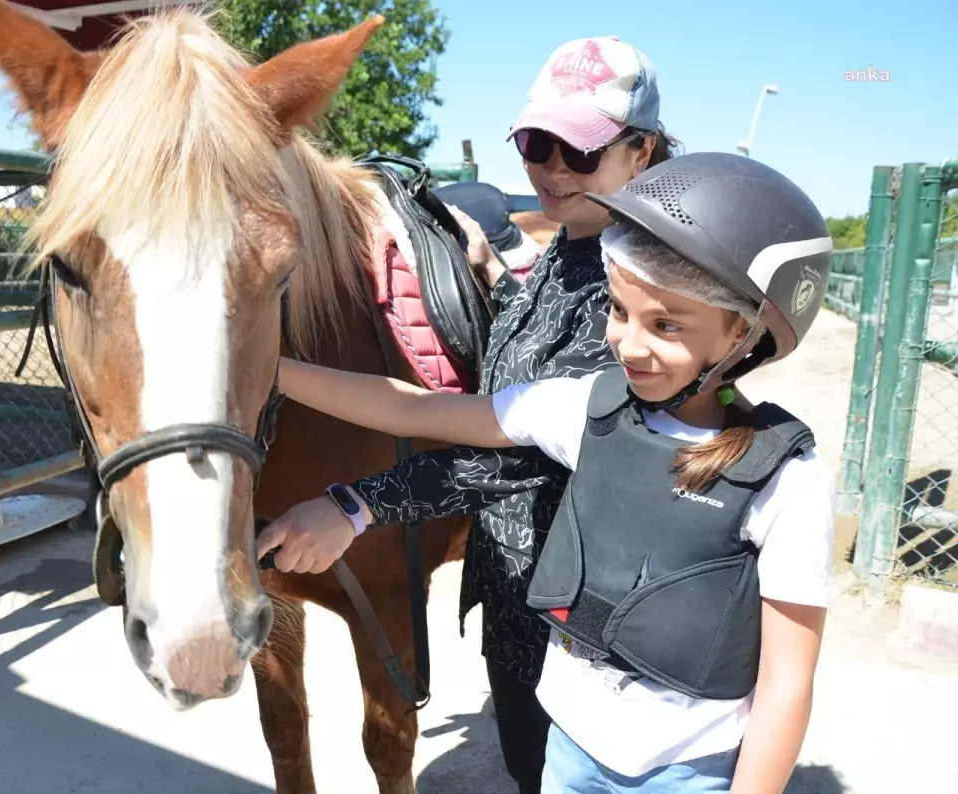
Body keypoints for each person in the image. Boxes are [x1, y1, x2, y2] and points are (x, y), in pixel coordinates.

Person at [258, 151, 836, 793]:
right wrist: (262, 367)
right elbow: (406, 406)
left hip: (688, 771)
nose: (629, 345)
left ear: (744, 334)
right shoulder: (584, 406)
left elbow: (787, 683)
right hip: (571, 749)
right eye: (619, 311)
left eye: (666, 325)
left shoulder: (786, 478)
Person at [260, 35, 678, 794]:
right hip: (519, 601)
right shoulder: (567, 252)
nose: (550, 168)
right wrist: (498, 280)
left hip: (582, 614)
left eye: (579, 151)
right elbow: (510, 391)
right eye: (535, 142)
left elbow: (520, 449)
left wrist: (356, 505)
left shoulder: (640, 288)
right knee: (529, 765)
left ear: (641, 152)